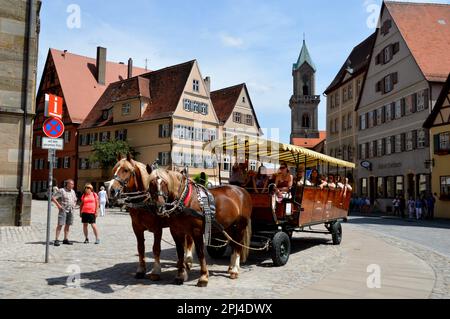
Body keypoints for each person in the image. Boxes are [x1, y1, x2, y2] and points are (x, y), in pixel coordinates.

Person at [52, 179, 77, 247]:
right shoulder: (61, 190)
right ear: (67, 184)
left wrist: (74, 205)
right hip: (63, 210)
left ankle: (65, 239)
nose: (72, 185)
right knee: (60, 224)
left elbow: (75, 199)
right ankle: (56, 240)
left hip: (71, 210)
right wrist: (58, 205)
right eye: (71, 184)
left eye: (73, 184)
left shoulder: (73, 191)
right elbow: (53, 198)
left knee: (68, 225)